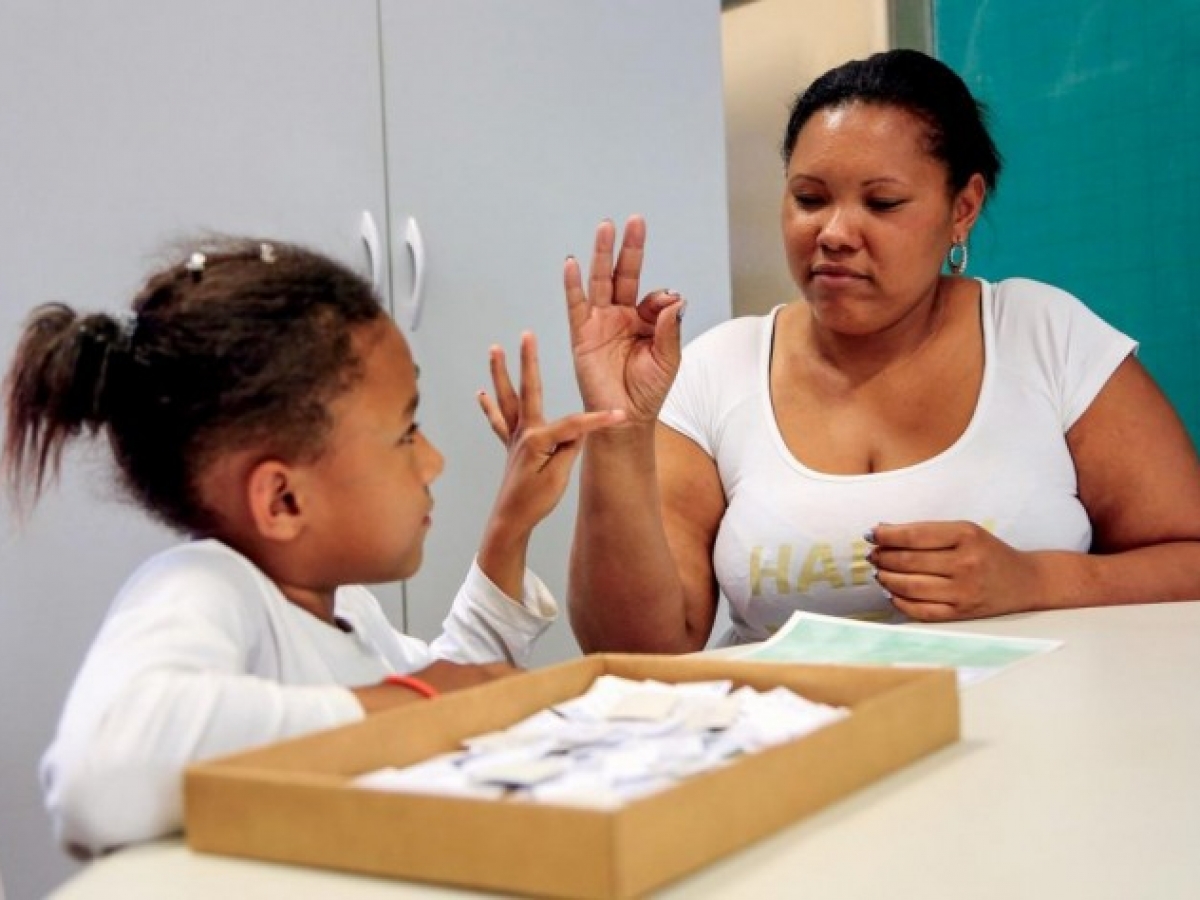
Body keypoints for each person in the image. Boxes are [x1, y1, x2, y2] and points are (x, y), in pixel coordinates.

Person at [564, 48, 1200, 654]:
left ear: (963, 208)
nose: (835, 233)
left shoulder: (1043, 336)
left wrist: (1039, 582)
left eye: (883, 202)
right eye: (809, 199)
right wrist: (619, 431)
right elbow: (639, 649)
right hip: (800, 750)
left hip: (1032, 747)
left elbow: (1188, 558)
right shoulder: (717, 370)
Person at [2, 237, 623, 856]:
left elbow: (447, 686)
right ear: (282, 501)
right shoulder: (202, 585)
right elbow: (99, 771)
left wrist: (509, 528)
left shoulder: (343, 609)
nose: (434, 462)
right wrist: (409, 702)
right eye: (407, 433)